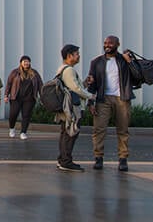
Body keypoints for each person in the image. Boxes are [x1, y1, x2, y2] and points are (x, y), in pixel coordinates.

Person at [85, 35, 136, 172]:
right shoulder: (96, 62)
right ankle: (98, 157)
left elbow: (137, 76)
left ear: (117, 44)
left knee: (123, 130)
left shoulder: (124, 60)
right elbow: (92, 83)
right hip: (103, 99)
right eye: (105, 43)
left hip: (122, 98)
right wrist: (91, 102)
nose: (107, 45)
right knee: (99, 129)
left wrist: (130, 62)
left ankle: (123, 159)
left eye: (110, 43)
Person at [56, 43, 96, 172]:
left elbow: (74, 86)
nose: (79, 56)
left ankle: (63, 159)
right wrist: (91, 96)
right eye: (77, 54)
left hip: (66, 107)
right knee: (70, 134)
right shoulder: (69, 70)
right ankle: (66, 162)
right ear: (69, 56)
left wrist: (84, 82)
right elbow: (75, 88)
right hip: (72, 108)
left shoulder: (63, 69)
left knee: (65, 133)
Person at [4, 55, 41, 139]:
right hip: (16, 97)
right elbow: (9, 84)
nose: (26, 63)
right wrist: (6, 95)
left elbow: (40, 84)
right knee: (13, 114)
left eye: (27, 61)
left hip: (29, 98)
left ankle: (23, 132)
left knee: (26, 115)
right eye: (24, 61)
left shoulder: (34, 73)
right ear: (21, 63)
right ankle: (12, 129)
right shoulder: (15, 72)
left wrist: (42, 95)